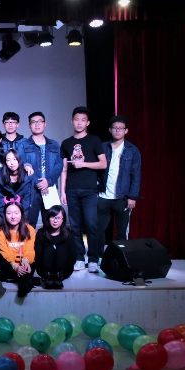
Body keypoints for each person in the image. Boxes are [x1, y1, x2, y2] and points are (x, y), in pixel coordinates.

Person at [60, 106, 107, 273]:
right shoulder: (66, 143)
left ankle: (93, 259)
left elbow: (103, 164)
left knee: (91, 224)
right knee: (75, 226)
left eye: (83, 120)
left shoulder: (94, 140)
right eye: (76, 120)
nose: (79, 123)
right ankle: (79, 258)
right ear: (71, 121)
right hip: (72, 189)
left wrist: (83, 164)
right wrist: (62, 191)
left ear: (88, 123)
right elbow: (64, 169)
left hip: (89, 190)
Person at [98, 115, 142, 242]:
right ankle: (98, 254)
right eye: (115, 128)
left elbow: (136, 175)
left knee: (122, 232)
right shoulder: (102, 147)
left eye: (121, 128)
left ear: (126, 130)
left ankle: (119, 254)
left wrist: (132, 197)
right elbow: (96, 170)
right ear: (110, 130)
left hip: (122, 198)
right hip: (103, 196)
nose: (117, 131)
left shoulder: (132, 150)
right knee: (98, 229)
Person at [19, 112, 63, 228]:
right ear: (29, 125)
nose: (37, 124)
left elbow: (59, 164)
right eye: (33, 122)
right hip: (31, 189)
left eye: (40, 121)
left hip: (50, 188)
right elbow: (22, 164)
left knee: (51, 224)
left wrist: (48, 181)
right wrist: (40, 184)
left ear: (45, 124)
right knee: (29, 224)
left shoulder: (54, 144)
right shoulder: (23, 144)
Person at [0, 202, 36, 298]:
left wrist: (25, 260)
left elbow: (30, 249)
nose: (13, 216)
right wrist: (15, 266)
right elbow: (4, 252)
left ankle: (22, 281)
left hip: (24, 264)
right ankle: (25, 280)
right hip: (10, 264)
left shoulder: (29, 229)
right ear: (4, 215)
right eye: (9, 213)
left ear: (21, 214)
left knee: (30, 266)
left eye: (16, 213)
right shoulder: (0, 231)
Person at [34, 205, 77, 289]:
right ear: (48, 218)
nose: (55, 220)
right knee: (49, 248)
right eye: (53, 217)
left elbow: (73, 256)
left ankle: (58, 276)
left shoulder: (68, 233)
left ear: (63, 219)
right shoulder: (41, 233)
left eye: (58, 218)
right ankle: (49, 276)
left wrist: (64, 270)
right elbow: (37, 255)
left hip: (64, 270)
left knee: (61, 248)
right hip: (44, 270)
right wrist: (43, 271)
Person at [0, 149, 34, 218]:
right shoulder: (0, 176)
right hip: (4, 214)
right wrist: (7, 217)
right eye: (8, 160)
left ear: (19, 160)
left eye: (14, 159)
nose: (12, 163)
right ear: (5, 162)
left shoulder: (27, 176)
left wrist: (20, 217)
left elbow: (27, 200)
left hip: (22, 214)